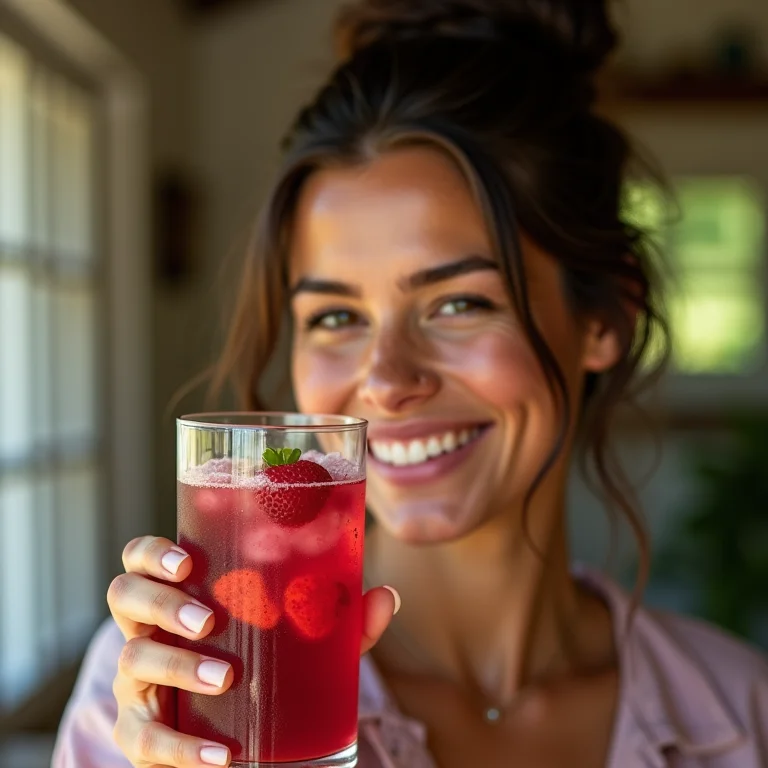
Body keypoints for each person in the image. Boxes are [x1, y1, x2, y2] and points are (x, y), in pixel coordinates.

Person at [53, 0, 768, 766]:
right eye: (334, 317)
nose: (387, 380)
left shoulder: (742, 711)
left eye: (460, 303)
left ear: (603, 321)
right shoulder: (171, 700)